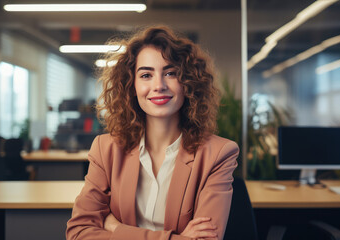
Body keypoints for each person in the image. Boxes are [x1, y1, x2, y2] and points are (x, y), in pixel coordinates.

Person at [66, 26, 239, 240]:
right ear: (132, 86)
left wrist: (114, 228)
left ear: (188, 82)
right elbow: (79, 233)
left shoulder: (218, 154)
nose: (159, 85)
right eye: (146, 75)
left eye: (170, 73)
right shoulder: (106, 149)